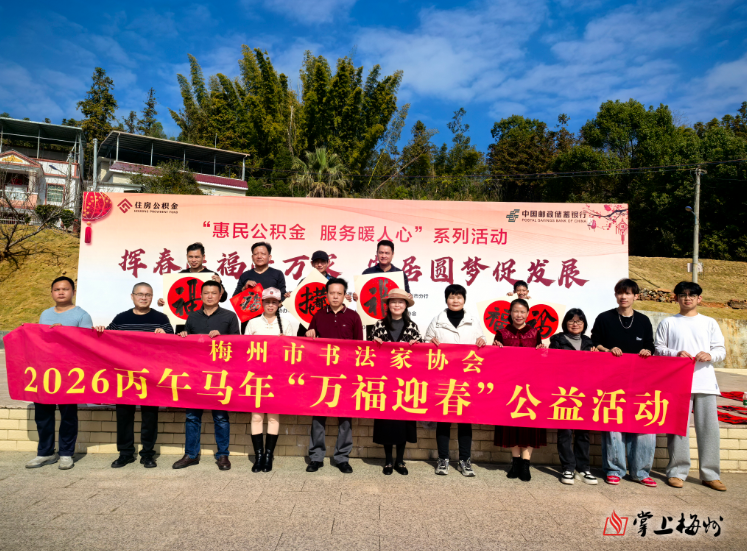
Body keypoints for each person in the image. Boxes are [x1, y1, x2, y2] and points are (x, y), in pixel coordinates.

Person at [655, 281, 727, 492]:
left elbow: (720, 350)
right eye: (683, 295)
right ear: (676, 298)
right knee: (678, 429)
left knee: (709, 429)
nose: (687, 298)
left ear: (699, 299)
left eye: (691, 295)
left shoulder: (709, 322)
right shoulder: (668, 322)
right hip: (677, 383)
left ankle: (710, 475)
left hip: (704, 382)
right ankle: (677, 472)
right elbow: (658, 348)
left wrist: (710, 354)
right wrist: (675, 353)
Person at [94, 283, 174, 469]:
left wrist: (165, 334)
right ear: (132, 296)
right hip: (125, 375)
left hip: (151, 376)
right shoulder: (121, 318)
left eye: (148, 295)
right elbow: (108, 338)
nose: (143, 298)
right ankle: (125, 453)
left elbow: (173, 343)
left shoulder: (161, 318)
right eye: (140, 294)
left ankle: (148, 454)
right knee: (124, 415)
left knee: (149, 417)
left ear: (152, 297)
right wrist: (99, 331)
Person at [591, 278, 656, 487]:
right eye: (620, 293)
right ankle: (614, 469)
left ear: (636, 296)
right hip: (611, 381)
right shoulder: (604, 318)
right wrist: (607, 350)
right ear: (615, 295)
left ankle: (641, 471)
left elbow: (651, 346)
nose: (623, 297)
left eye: (628, 293)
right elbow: (594, 342)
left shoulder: (643, 321)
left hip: (640, 382)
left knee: (644, 423)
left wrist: (647, 351)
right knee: (613, 424)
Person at [27, 276, 93, 470]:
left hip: (69, 373)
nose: (61, 292)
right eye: (57, 289)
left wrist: (65, 333)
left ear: (73, 292)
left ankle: (66, 453)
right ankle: (45, 452)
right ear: (52, 293)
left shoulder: (82, 315)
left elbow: (86, 344)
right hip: (45, 371)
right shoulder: (45, 314)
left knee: (68, 415)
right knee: (43, 414)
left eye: (65, 289)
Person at [173, 281, 240, 471]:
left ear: (220, 295)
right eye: (206, 293)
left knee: (221, 417)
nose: (210, 296)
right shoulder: (192, 317)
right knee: (192, 416)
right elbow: (186, 346)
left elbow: (238, 344)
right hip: (195, 374)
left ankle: (223, 455)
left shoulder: (229, 316)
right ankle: (191, 454)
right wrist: (184, 335)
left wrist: (223, 337)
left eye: (213, 293)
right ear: (201, 296)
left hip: (219, 374)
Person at [424, 284, 487, 477]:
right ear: (446, 300)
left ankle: (464, 460)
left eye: (459, 297)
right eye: (452, 297)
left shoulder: (472, 321)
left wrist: (482, 342)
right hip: (444, 378)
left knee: (465, 421)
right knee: (443, 420)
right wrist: (430, 343)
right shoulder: (437, 320)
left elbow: (481, 342)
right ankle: (443, 459)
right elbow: (426, 344)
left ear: (464, 300)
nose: (455, 300)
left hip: (466, 379)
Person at [304, 277, 363, 474]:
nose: (335, 296)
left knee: (345, 418)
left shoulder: (353, 316)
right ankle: (316, 457)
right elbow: (309, 344)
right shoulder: (319, 315)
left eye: (339, 293)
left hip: (346, 375)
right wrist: (310, 334)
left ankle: (342, 458)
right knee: (319, 416)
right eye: (332, 293)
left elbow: (359, 347)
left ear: (345, 295)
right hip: (322, 374)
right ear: (326, 295)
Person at [368, 288, 422, 475]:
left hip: (406, 383)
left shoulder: (412, 326)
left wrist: (417, 346)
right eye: (393, 302)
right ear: (388, 305)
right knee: (387, 422)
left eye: (400, 302)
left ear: (406, 305)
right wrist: (373, 343)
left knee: (403, 422)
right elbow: (367, 352)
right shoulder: (379, 325)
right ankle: (388, 461)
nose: (397, 305)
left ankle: (400, 460)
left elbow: (421, 355)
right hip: (384, 382)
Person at [493, 298, 547, 482]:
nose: (519, 315)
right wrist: (496, 349)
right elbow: (495, 359)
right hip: (509, 385)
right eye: (516, 311)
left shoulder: (535, 333)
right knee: (512, 423)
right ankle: (515, 462)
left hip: (531, 386)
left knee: (529, 423)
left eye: (522, 312)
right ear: (510, 313)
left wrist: (542, 350)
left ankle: (526, 463)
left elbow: (541, 358)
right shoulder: (501, 333)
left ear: (528, 314)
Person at [245, 287, 294, 473]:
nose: (271, 305)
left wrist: (285, 342)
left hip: (277, 376)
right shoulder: (253, 323)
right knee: (256, 416)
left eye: (274, 302)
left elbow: (293, 353)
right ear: (262, 303)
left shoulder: (286, 324)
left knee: (273, 416)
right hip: (256, 375)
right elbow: (244, 349)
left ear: (279, 304)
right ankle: (258, 456)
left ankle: (268, 456)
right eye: (267, 302)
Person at [548, 308, 598, 485]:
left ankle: (583, 469)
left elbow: (595, 368)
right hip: (564, 392)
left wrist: (595, 357)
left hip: (585, 392)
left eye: (579, 321)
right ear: (565, 323)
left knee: (583, 432)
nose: (575, 324)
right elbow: (552, 364)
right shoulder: (557, 340)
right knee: (565, 431)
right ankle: (568, 468)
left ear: (584, 324)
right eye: (571, 321)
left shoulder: (589, 342)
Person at [233, 242, 287, 333]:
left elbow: (282, 297)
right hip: (248, 320)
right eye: (256, 254)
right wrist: (244, 288)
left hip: (271, 320)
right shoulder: (245, 275)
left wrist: (272, 307)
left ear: (269, 257)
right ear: (252, 257)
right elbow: (235, 299)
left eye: (263, 254)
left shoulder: (277, 274)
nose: (259, 256)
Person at [287, 250, 332, 337]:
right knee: (302, 344)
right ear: (312, 263)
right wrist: (290, 296)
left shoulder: (334, 281)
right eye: (317, 262)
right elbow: (299, 300)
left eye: (323, 262)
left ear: (328, 263)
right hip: (306, 323)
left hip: (328, 323)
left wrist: (345, 297)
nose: (319, 265)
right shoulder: (304, 281)